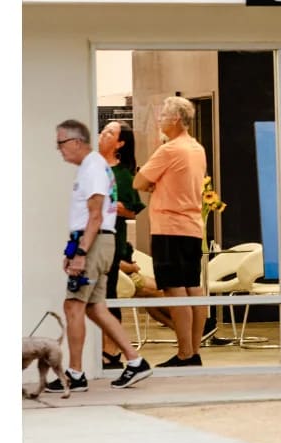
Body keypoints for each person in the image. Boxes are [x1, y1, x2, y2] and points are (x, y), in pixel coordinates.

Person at [46, 119, 153, 392]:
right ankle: (135, 361)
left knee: (73, 306)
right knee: (95, 307)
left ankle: (75, 374)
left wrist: (81, 252)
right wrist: (73, 249)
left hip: (94, 243)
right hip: (95, 241)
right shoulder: (92, 166)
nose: (59, 149)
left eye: (61, 143)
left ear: (76, 142)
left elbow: (95, 215)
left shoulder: (93, 167)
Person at [133, 96, 208, 367]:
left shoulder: (169, 150)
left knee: (175, 290)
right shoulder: (197, 148)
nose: (160, 120)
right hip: (192, 227)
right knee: (193, 288)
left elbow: (139, 181)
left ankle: (185, 353)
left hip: (168, 227)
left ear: (176, 119)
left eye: (163, 116)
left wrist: (153, 184)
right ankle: (194, 350)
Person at [97, 121, 146, 369]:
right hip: (89, 240)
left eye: (109, 133)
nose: (102, 135)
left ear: (120, 143)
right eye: (103, 130)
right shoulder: (91, 167)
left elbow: (132, 211)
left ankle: (112, 350)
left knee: (108, 295)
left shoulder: (123, 175)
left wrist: (114, 207)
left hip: (110, 242)